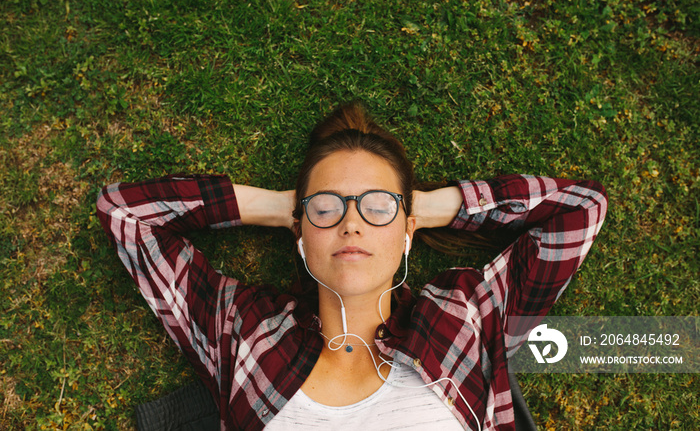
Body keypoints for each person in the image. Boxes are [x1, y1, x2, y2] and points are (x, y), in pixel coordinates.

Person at [96, 102, 607, 430]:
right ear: (301, 230)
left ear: (408, 231)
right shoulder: (243, 331)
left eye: (377, 207)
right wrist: (280, 207)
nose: (352, 224)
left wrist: (428, 207)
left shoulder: (462, 319)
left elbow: (580, 209)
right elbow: (126, 215)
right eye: (327, 207)